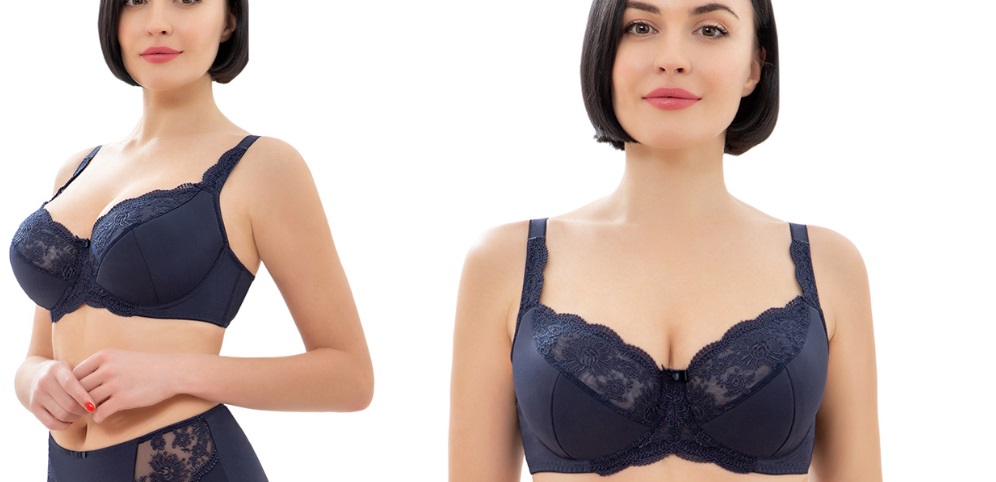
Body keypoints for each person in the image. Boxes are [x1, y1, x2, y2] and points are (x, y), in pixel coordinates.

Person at [447, 0, 881, 479]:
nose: (672, 58)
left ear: (754, 67)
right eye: (640, 26)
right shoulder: (506, 262)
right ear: (604, 52)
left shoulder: (829, 266)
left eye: (710, 30)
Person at [10, 0, 374, 480]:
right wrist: (34, 379)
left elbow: (350, 377)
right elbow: (38, 354)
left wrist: (174, 373)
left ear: (229, 20)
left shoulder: (263, 167)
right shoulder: (76, 169)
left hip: (188, 464)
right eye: (136, 1)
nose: (157, 23)